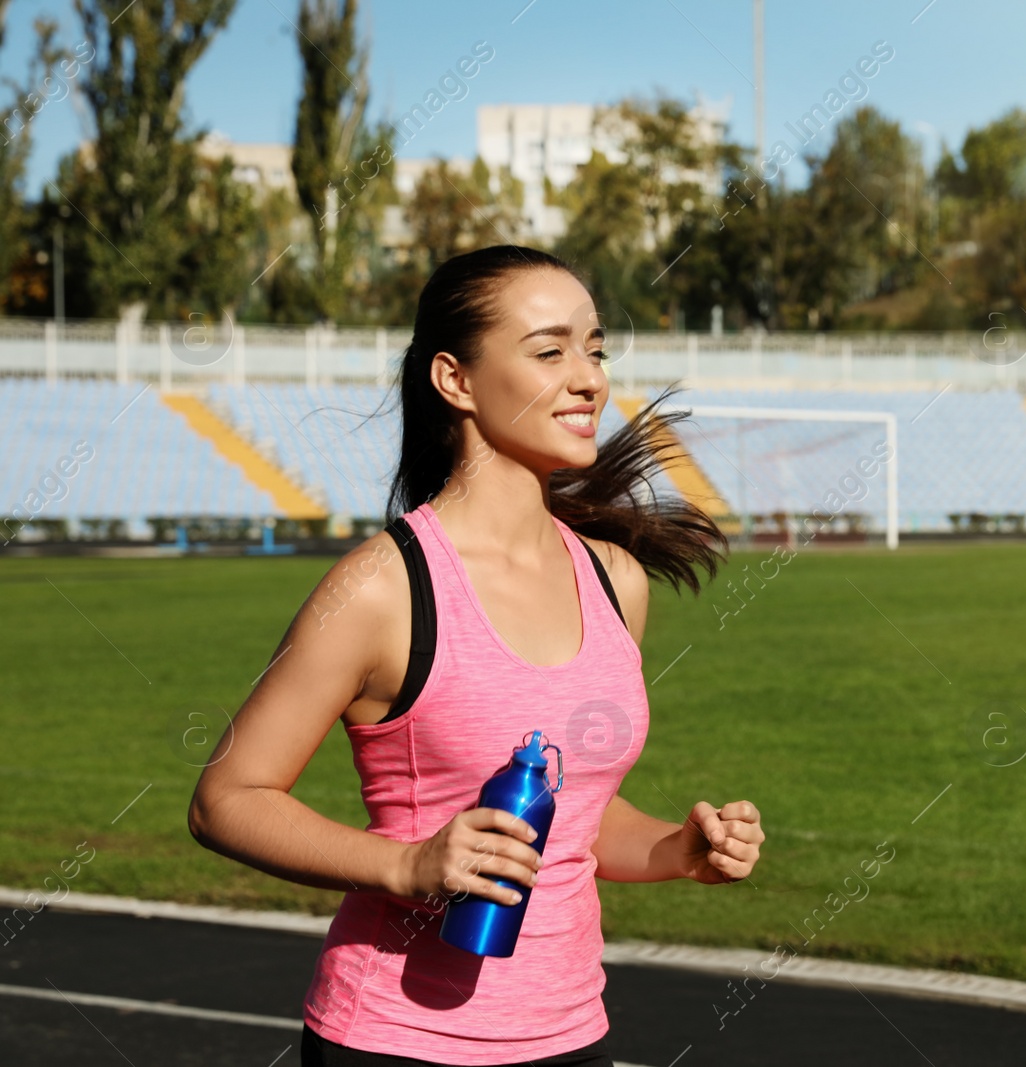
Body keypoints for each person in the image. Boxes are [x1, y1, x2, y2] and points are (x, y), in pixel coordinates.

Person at [188, 246, 766, 1067]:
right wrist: (408, 863)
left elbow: (578, 822)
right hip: (393, 1040)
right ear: (456, 380)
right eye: (549, 350)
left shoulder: (615, 581)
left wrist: (681, 849)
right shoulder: (384, 587)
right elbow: (225, 798)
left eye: (595, 348)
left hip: (571, 1037)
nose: (589, 377)